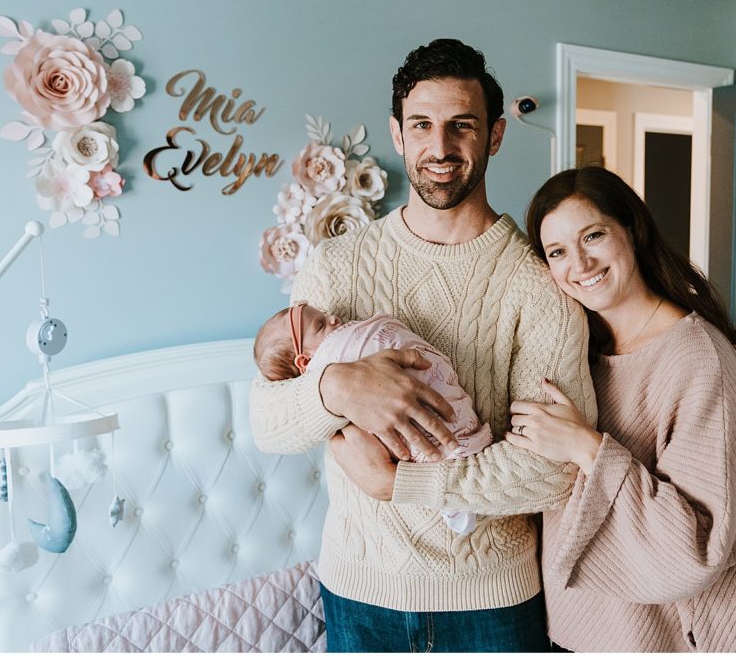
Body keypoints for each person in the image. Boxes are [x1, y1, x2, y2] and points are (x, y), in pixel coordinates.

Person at [249, 38, 597, 652]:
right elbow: (267, 424)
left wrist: (404, 486)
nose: (440, 148)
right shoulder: (336, 265)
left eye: (462, 126)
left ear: (494, 136)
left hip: (491, 601)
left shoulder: (541, 284)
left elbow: (554, 471)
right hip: (359, 593)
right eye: (422, 125)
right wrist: (335, 387)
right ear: (398, 132)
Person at [507, 165, 736, 652]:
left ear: (632, 231)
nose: (579, 263)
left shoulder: (697, 358)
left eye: (593, 236)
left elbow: (700, 543)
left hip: (670, 638)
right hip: (584, 625)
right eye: (558, 252)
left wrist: (587, 446)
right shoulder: (581, 351)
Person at [252, 302, 493, 533]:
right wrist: (335, 387)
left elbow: (530, 471)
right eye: (321, 324)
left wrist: (395, 483)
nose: (334, 318)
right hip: (353, 554)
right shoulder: (321, 270)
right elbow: (262, 425)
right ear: (305, 361)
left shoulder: (519, 279)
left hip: (489, 559)